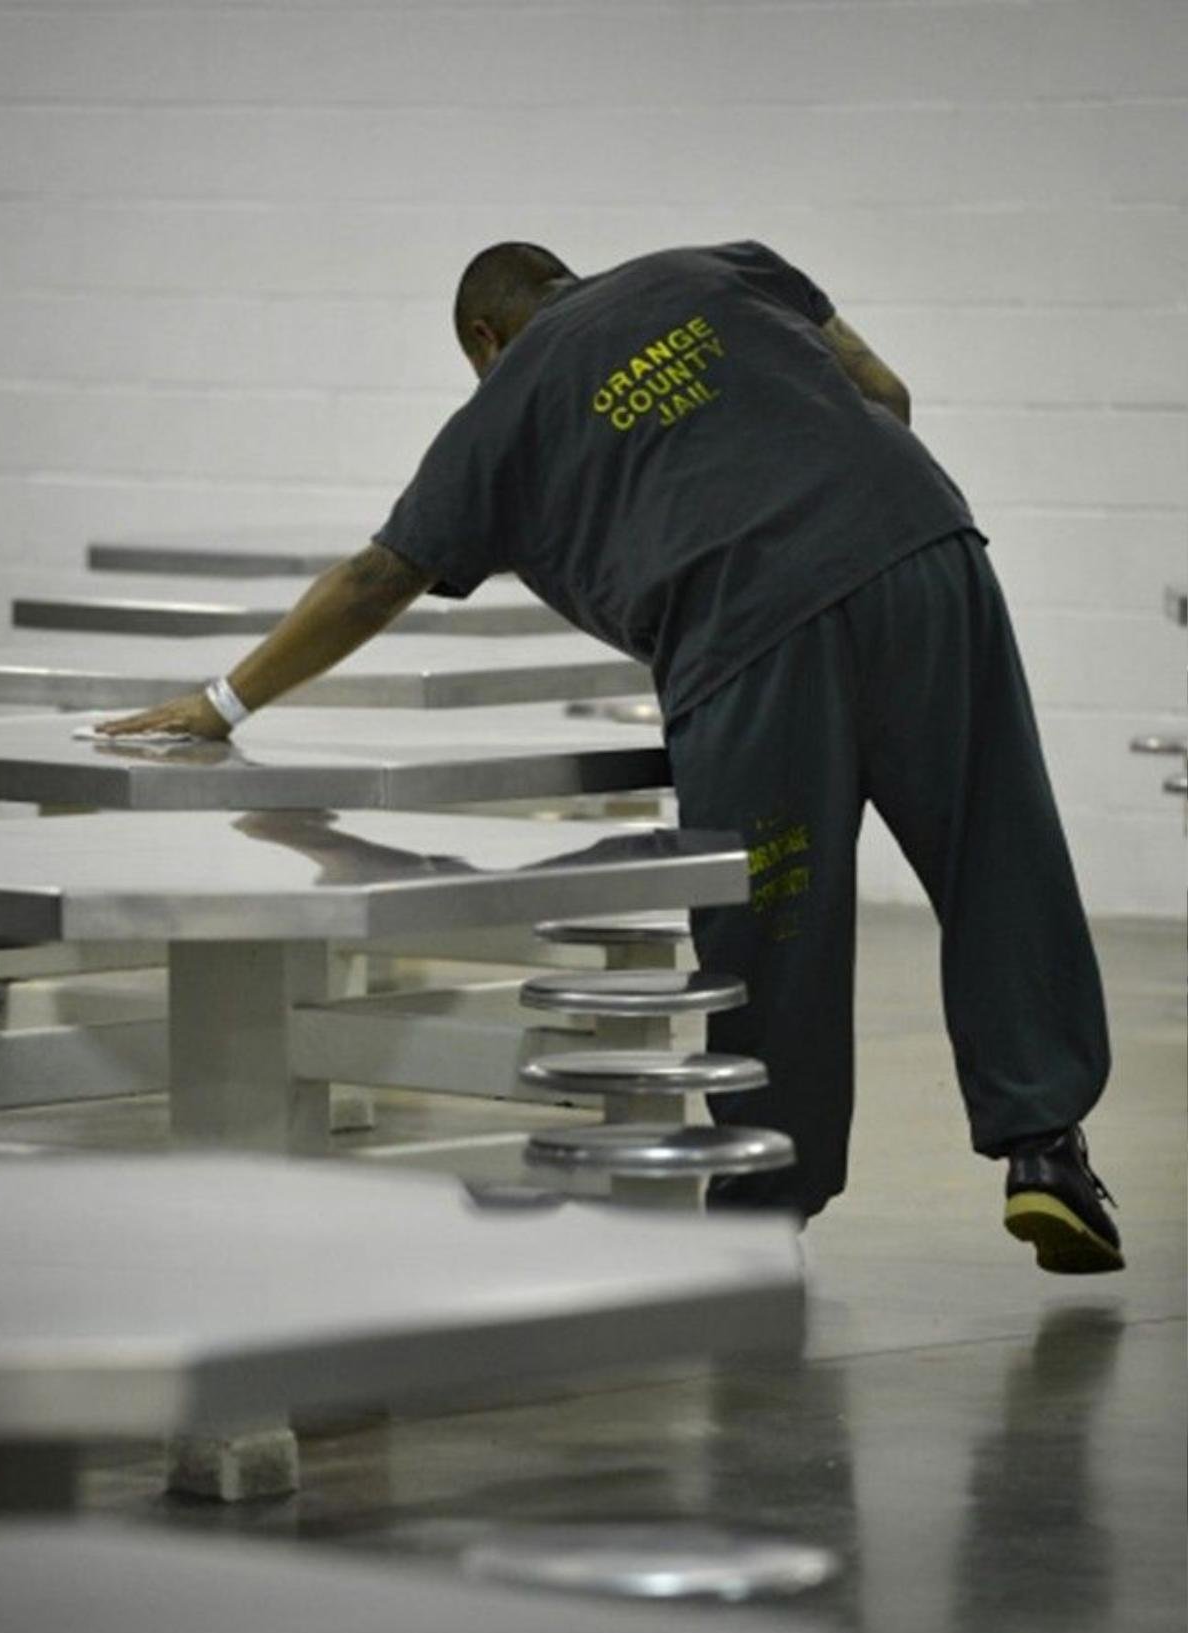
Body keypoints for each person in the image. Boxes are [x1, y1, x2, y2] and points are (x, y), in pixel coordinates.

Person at [99, 238, 1122, 1274]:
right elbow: (885, 390)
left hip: (746, 628)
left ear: (486, 339)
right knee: (997, 846)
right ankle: (1046, 1150)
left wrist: (223, 699)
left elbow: (376, 578)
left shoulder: (502, 407)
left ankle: (766, 1209)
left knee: (771, 917)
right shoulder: (721, 267)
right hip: (923, 547)